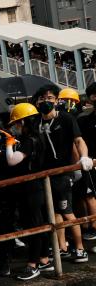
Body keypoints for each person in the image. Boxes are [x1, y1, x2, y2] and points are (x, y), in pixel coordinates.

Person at [33, 84, 92, 262]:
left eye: (50, 98)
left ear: (57, 100)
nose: (46, 101)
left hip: (62, 174)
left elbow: (79, 140)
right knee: (54, 213)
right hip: (45, 175)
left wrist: (84, 157)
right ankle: (62, 247)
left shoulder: (66, 119)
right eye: (42, 98)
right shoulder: (36, 122)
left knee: (67, 211)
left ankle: (80, 248)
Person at [2, 104, 54, 281]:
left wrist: (9, 145)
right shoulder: (36, 137)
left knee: (34, 226)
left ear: (23, 121)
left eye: (16, 123)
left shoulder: (29, 140)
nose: (14, 126)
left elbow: (11, 161)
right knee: (39, 224)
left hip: (30, 189)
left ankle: (33, 265)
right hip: (35, 187)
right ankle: (44, 259)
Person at [77, 82, 96, 243]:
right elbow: (80, 142)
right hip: (91, 164)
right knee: (89, 196)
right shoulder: (84, 121)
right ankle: (93, 227)